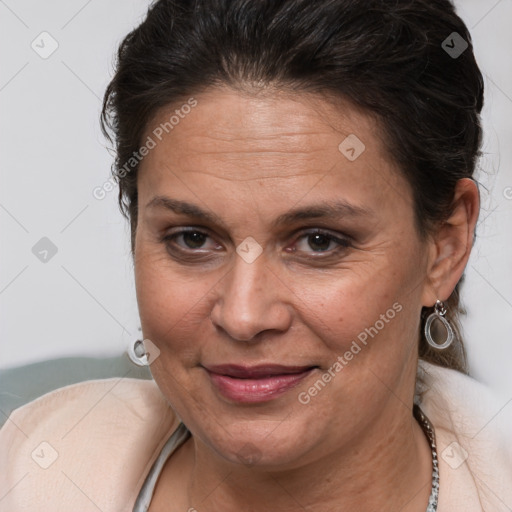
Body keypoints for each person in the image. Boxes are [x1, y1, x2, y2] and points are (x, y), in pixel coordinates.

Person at [1, 0, 511, 510]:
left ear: (444, 247)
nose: (244, 317)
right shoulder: (29, 472)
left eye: (319, 241)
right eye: (193, 238)